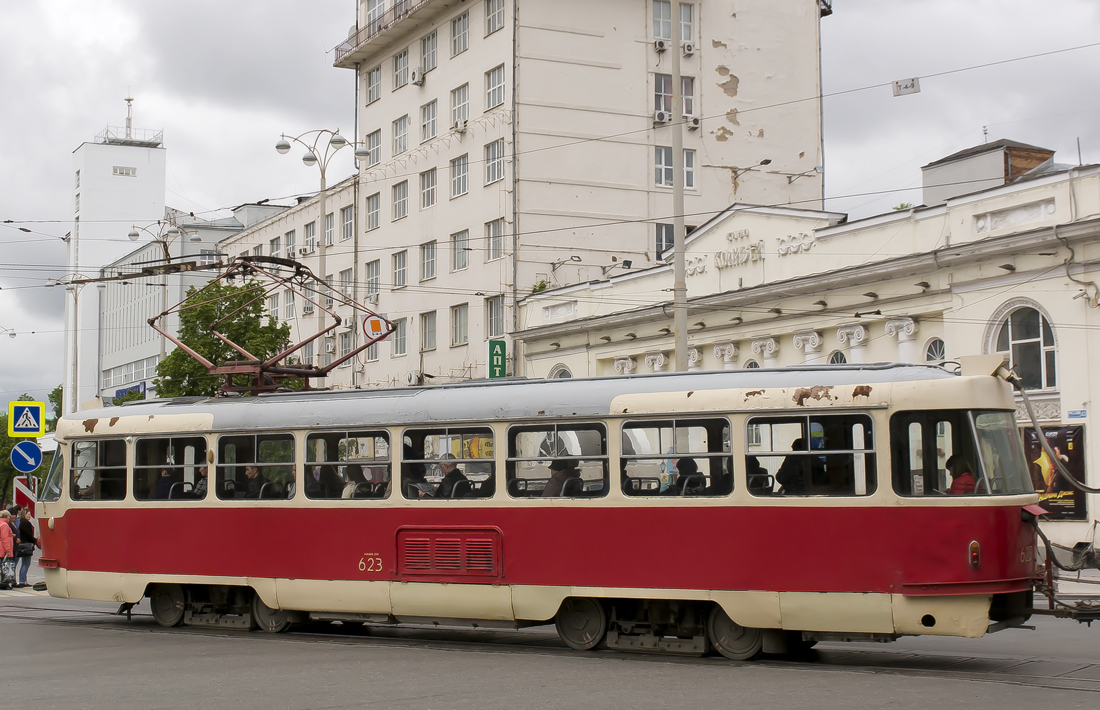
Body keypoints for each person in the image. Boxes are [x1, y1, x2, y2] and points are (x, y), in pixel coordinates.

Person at [15, 508, 36, 588]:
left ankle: (20, 580)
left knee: (18, 563)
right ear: (25, 514)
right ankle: (22, 580)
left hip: (20, 544)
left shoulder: (20, 522)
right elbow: (28, 535)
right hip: (26, 545)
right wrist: (34, 540)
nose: (30, 516)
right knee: (26, 563)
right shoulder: (26, 523)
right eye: (28, 514)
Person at [0, 510, 14, 590]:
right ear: (6, 516)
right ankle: (4, 584)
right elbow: (5, 538)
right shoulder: (5, 525)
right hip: (3, 549)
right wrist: (7, 550)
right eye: (9, 516)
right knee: (4, 567)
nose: (10, 517)